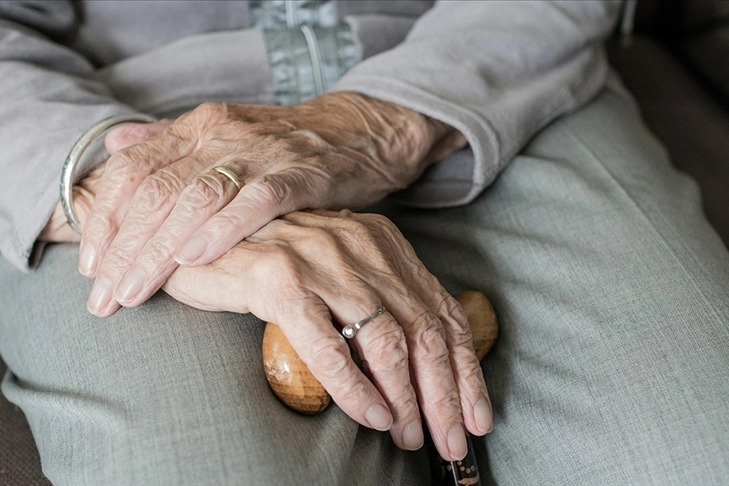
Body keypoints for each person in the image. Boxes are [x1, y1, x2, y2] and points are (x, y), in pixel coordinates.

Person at [1, 1, 728, 485]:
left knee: (697, 451)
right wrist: (125, 189)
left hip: (494, 80)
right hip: (116, 125)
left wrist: (372, 125)